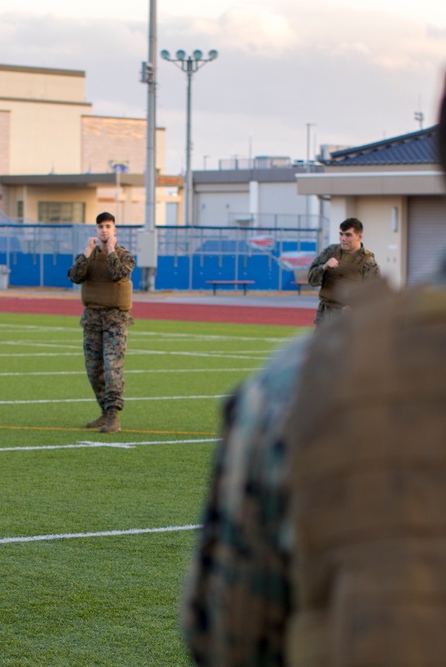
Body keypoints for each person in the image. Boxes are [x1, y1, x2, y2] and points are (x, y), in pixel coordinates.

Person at [182, 77, 446, 666]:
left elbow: (227, 637)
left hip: (351, 333)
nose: (348, 238)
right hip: (335, 324)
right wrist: (324, 264)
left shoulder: (292, 390)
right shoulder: (328, 278)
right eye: (344, 232)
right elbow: (313, 286)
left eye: (351, 233)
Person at [67, 211, 135, 434]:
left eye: (108, 226)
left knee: (111, 365)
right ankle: (104, 412)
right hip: (93, 319)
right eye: (100, 227)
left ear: (114, 230)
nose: (104, 230)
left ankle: (114, 416)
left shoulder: (125, 256)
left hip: (116, 319)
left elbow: (118, 274)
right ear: (95, 231)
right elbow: (75, 277)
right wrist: (87, 252)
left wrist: (111, 249)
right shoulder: (87, 256)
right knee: (93, 369)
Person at [306, 217, 380, 326]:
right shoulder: (330, 252)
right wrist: (324, 267)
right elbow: (311, 280)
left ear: (359, 236)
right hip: (325, 315)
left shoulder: (368, 262)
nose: (343, 238)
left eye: (348, 235)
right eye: (341, 234)